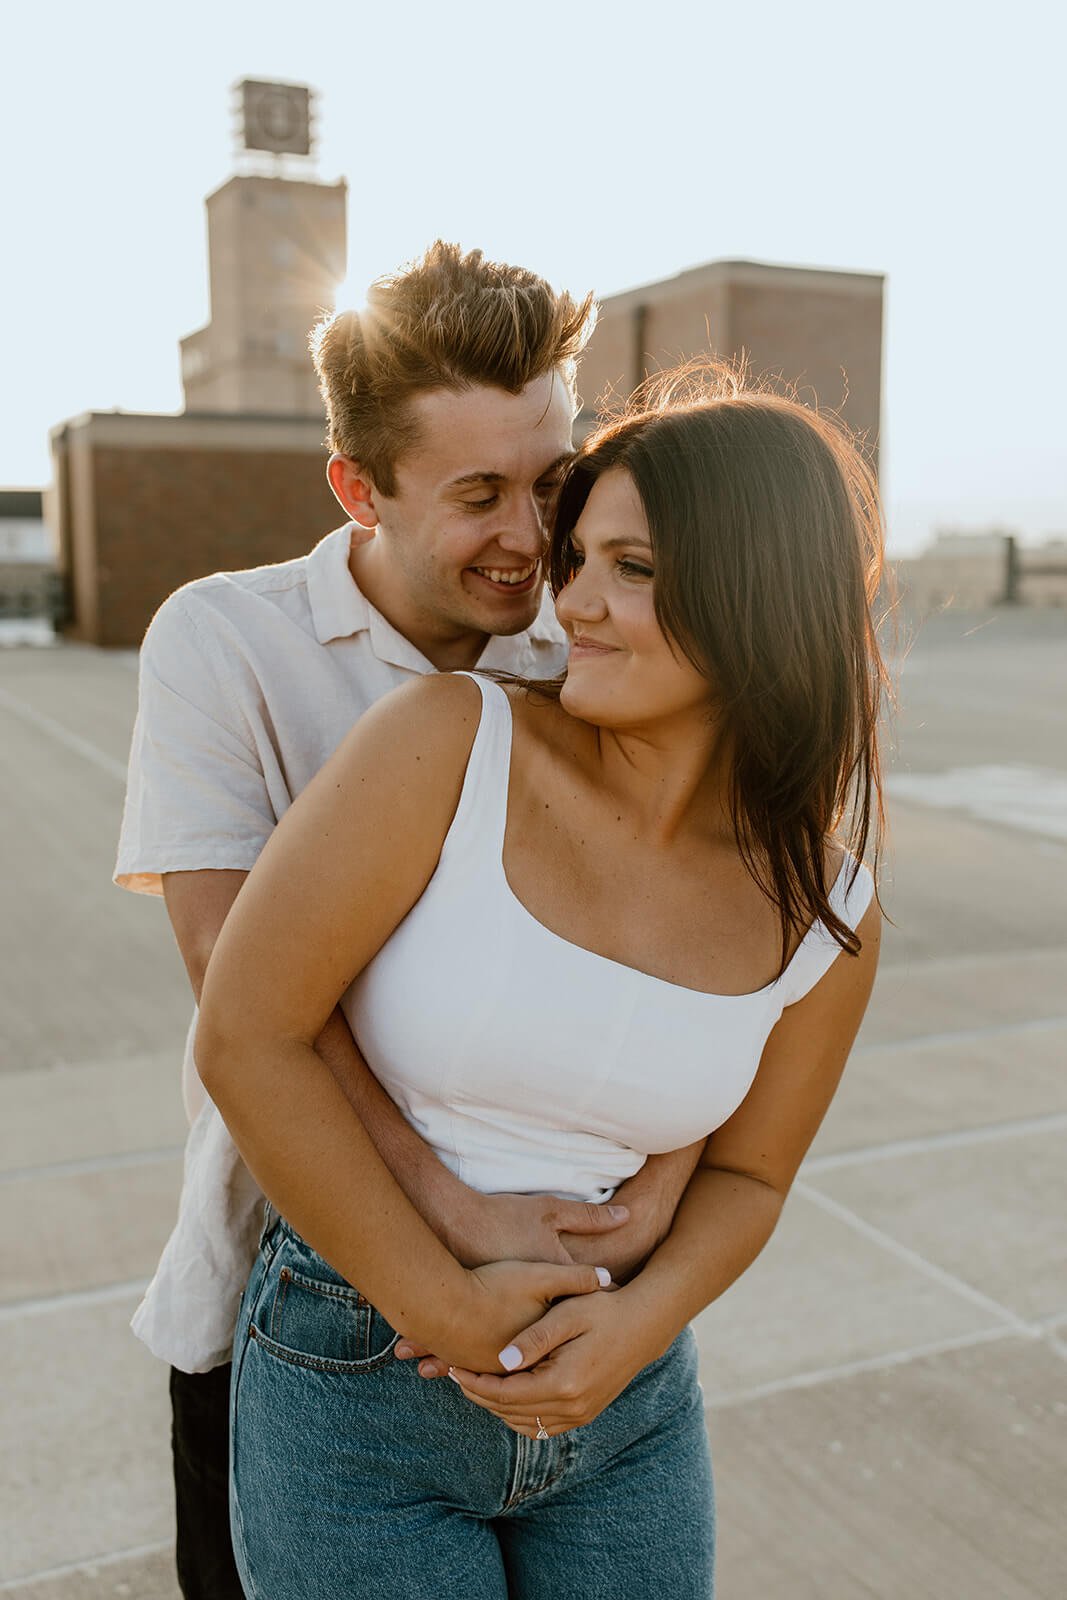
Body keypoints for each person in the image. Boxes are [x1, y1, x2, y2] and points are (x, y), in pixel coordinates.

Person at [196, 368, 888, 1599]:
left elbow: (749, 1173)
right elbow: (246, 1034)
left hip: (623, 1404)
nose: (574, 604)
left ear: (764, 595)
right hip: (366, 1372)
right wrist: (456, 1315)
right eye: (580, 560)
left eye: (634, 569)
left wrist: (636, 1323)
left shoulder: (825, 906)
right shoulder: (448, 740)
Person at [114, 243, 703, 1600]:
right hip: (291, 1292)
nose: (526, 533)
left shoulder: (589, 648)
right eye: (476, 493)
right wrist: (441, 1212)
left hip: (569, 1285)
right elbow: (238, 985)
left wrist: (653, 1204)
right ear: (355, 489)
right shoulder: (226, 643)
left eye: (550, 481)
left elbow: (696, 938)